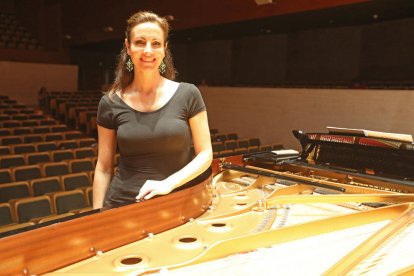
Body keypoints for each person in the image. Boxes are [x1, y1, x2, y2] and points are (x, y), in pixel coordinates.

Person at [93, 11, 213, 209]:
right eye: (140, 42)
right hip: (122, 204)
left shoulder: (188, 93)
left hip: (178, 200)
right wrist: (96, 216)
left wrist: (168, 184)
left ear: (165, 49)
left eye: (156, 43)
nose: (148, 50)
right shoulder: (110, 102)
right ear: (128, 47)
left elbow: (205, 154)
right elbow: (104, 168)